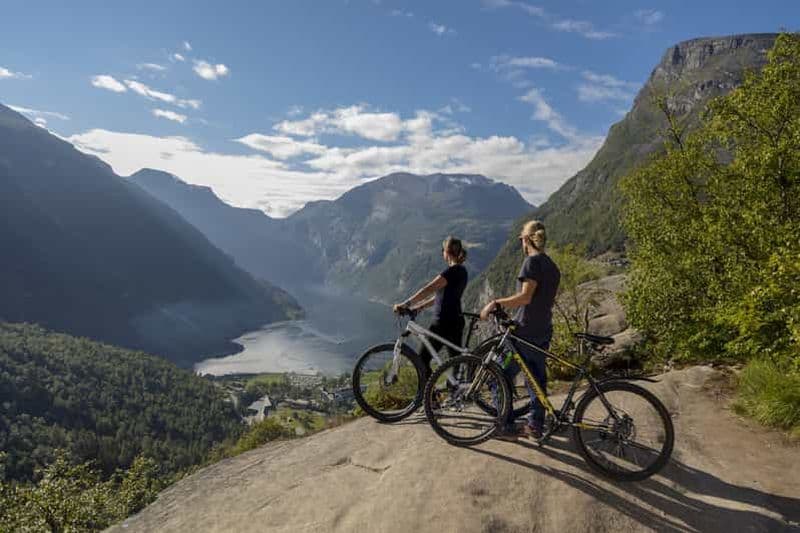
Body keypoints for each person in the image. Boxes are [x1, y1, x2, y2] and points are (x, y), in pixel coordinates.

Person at [480, 220, 560, 439]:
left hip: (524, 334)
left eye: (521, 239)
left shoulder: (531, 263)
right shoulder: (551, 265)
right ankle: (535, 424)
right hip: (543, 329)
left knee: (498, 375)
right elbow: (541, 300)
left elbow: (526, 297)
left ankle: (505, 425)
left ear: (526, 239)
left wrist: (496, 303)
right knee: (535, 379)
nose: (520, 243)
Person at [393, 237, 468, 377]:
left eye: (442, 251)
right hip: (456, 320)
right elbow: (440, 296)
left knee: (422, 360)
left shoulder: (451, 272)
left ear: (446, 252)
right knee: (456, 361)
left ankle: (431, 397)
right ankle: (457, 392)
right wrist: (419, 307)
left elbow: (429, 289)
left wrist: (406, 304)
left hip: (443, 322)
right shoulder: (461, 271)